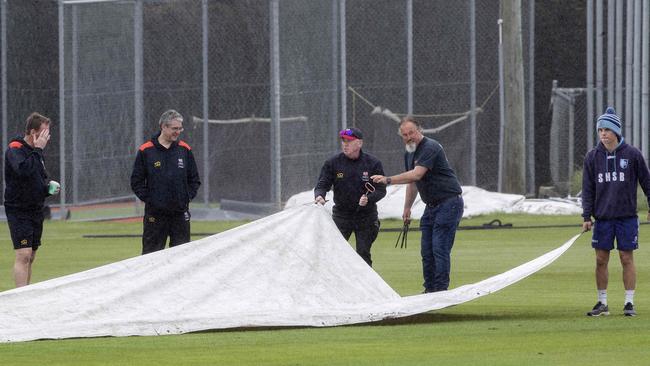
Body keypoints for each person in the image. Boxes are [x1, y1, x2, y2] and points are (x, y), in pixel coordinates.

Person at [371, 117, 463, 293]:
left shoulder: (431, 147)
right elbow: (412, 183)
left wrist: (388, 180)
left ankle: (440, 291)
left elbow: (416, 175)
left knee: (439, 249)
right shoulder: (410, 152)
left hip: (449, 202)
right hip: (432, 205)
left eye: (411, 132)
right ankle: (429, 290)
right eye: (404, 135)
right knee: (426, 252)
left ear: (419, 129)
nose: (408, 137)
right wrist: (407, 207)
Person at [582, 107, 650, 317]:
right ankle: (602, 303)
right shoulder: (592, 157)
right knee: (600, 259)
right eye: (600, 130)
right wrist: (586, 216)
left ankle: (629, 303)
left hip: (627, 217)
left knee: (625, 258)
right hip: (602, 218)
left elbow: (646, 182)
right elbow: (588, 188)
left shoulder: (632, 154)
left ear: (616, 132)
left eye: (607, 130)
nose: (603, 134)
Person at [131, 109, 201, 255]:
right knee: (151, 257)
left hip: (180, 215)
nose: (178, 132)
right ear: (163, 126)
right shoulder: (146, 151)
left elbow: (194, 180)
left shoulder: (185, 149)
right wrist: (152, 200)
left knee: (182, 258)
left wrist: (185, 197)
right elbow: (136, 182)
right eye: (174, 128)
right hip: (155, 216)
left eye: (180, 128)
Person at [314, 127, 386, 266]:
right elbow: (322, 184)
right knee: (333, 253)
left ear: (359, 143)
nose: (345, 144)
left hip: (366, 216)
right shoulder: (333, 163)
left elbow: (381, 190)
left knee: (363, 253)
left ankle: (366, 286)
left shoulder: (373, 163)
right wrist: (319, 196)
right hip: (342, 216)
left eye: (349, 141)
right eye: (343, 140)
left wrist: (369, 199)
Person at [4, 112, 60, 287]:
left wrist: (48, 189)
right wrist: (38, 150)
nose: (46, 137)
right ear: (32, 131)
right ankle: (20, 298)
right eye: (44, 132)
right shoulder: (15, 148)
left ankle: (27, 294)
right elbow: (23, 171)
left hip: (36, 209)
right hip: (18, 210)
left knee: (32, 255)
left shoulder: (36, 153)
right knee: (24, 254)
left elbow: (35, 179)